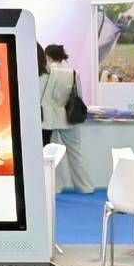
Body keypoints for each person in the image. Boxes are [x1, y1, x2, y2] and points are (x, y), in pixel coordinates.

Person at [38, 44, 92, 193]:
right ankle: (84, 186)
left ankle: (55, 187)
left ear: (47, 56)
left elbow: (40, 94)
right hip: (69, 117)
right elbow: (79, 96)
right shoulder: (74, 73)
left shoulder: (46, 72)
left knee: (51, 155)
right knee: (75, 153)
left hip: (48, 119)